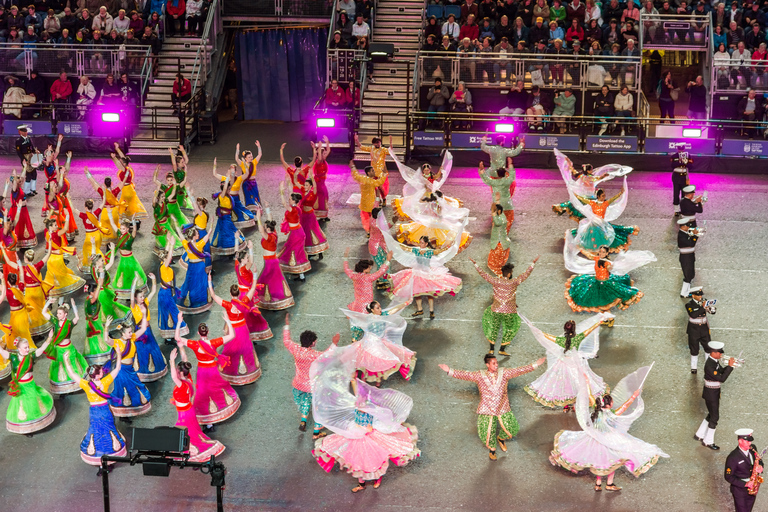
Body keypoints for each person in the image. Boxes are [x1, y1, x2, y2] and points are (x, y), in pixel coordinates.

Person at [550, 365, 669, 491]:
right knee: (611, 462)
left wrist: (586, 382)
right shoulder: (612, 413)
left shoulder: (596, 409)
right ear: (609, 404)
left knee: (600, 463)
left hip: (594, 438)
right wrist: (634, 396)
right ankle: (609, 484)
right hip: (607, 440)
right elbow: (625, 406)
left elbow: (589, 394)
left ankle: (598, 484)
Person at [439, 354, 545, 460]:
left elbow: (519, 370)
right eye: (493, 363)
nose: (496, 365)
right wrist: (449, 370)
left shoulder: (504, 373)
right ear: (487, 364)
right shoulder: (479, 375)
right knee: (487, 431)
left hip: (502, 407)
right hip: (487, 408)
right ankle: (492, 450)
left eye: (497, 363)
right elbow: (466, 375)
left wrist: (536, 364)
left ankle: (501, 438)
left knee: (512, 428)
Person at [522, 314, 610, 411]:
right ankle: (576, 404)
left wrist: (535, 330)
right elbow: (590, 329)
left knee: (563, 383)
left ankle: (566, 405)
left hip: (564, 362)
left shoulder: (560, 340)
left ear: (565, 330)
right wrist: (599, 322)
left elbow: (546, 336)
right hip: (577, 362)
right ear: (574, 330)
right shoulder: (578, 337)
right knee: (579, 382)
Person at [62, 346, 126, 468]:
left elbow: (71, 373)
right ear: (97, 376)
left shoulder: (86, 385)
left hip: (94, 412)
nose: (103, 372)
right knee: (108, 429)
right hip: (105, 410)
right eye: (101, 371)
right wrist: (118, 353)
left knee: (96, 431)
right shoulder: (105, 382)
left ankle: (99, 460)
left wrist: (66, 361)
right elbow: (117, 368)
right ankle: (110, 455)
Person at [175, 313, 241, 428]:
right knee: (217, 388)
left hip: (202, 371)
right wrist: (228, 321)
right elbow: (232, 335)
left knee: (202, 393)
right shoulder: (213, 343)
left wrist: (179, 322)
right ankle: (220, 409)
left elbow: (177, 338)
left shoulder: (195, 345)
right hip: (213, 370)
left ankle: (208, 421)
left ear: (198, 333)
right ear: (208, 332)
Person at [283, 313, 339, 436]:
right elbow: (328, 355)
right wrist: (334, 344)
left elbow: (286, 341)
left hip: (298, 384)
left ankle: (303, 419)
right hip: (313, 386)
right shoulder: (313, 355)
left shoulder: (296, 349)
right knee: (320, 406)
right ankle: (316, 431)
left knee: (305, 400)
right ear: (313, 343)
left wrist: (287, 326)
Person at [470, 256, 537, 355]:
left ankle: (491, 349)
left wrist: (475, 264)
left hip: (496, 310)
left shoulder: (496, 281)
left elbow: (483, 274)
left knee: (493, 328)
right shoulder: (514, 282)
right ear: (509, 274)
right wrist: (532, 264)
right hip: (509, 312)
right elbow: (525, 275)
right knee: (510, 328)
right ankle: (502, 349)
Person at [169, 347, 226, 462]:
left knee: (189, 434)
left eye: (176, 370)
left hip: (184, 414)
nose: (175, 371)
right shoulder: (188, 380)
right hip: (189, 410)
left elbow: (173, 377)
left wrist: (171, 360)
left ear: (180, 373)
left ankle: (198, 456)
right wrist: (181, 347)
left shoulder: (181, 385)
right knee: (193, 431)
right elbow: (185, 360)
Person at [208, 274, 265, 385]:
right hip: (243, 329)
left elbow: (213, 296)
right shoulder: (244, 301)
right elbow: (253, 288)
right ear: (239, 293)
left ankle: (232, 373)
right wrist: (254, 275)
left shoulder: (228, 305)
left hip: (233, 330)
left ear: (230, 294)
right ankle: (248, 372)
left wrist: (209, 281)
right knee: (245, 348)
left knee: (232, 350)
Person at [564, 243, 653, 312]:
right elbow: (589, 255)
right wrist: (578, 247)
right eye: (600, 251)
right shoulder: (597, 258)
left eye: (603, 252)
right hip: (596, 280)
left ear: (607, 253)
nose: (601, 253)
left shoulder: (607, 263)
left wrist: (617, 265)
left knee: (615, 293)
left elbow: (611, 268)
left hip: (605, 282)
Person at [0, 335, 55, 434]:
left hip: (30, 384)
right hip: (20, 387)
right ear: (19, 348)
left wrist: (49, 338)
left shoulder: (30, 356)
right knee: (23, 407)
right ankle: (26, 428)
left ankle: (35, 424)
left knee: (33, 403)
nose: (28, 349)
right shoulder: (13, 357)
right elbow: (3, 352)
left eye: (28, 347)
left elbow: (42, 349)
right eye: (25, 348)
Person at [104, 315, 153, 418]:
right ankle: (123, 415)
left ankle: (130, 410)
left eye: (131, 332)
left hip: (130, 369)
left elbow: (143, 328)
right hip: (121, 371)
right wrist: (107, 327)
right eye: (129, 332)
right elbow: (106, 340)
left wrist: (144, 314)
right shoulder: (117, 342)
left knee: (134, 388)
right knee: (123, 391)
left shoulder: (132, 338)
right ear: (122, 333)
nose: (131, 333)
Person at [694, 341, 738, 450]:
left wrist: (729, 366)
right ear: (713, 352)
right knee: (715, 417)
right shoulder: (709, 365)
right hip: (711, 393)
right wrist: (730, 367)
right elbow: (721, 378)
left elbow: (721, 371)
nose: (721, 354)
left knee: (711, 414)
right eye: (719, 353)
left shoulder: (714, 362)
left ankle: (699, 434)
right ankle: (708, 441)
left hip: (712, 392)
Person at [41, 299, 88, 396]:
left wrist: (74, 306)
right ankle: (62, 389)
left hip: (68, 348)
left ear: (65, 314)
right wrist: (48, 302)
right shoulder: (55, 321)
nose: (58, 315)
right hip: (58, 349)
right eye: (57, 313)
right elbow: (43, 312)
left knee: (71, 366)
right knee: (60, 368)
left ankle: (73, 385)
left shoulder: (69, 324)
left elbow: (77, 318)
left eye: (60, 313)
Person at [479, 136, 523, 232]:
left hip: (492, 172)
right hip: (501, 173)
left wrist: (484, 139)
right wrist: (521, 144)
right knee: (510, 184)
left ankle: (497, 207)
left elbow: (483, 147)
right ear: (502, 142)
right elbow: (514, 152)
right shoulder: (504, 151)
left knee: (494, 187)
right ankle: (505, 202)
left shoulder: (491, 149)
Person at [254, 208, 295, 310]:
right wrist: (268, 209)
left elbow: (260, 230)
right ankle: (273, 300)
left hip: (270, 262)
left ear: (268, 229)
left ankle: (269, 300)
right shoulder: (274, 233)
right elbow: (271, 221)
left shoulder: (269, 237)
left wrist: (258, 218)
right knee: (272, 280)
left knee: (266, 280)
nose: (264, 228)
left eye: (265, 227)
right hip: (271, 260)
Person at [130, 274, 168, 382]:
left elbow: (153, 291)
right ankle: (144, 371)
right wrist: (134, 282)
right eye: (140, 297)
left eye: (143, 296)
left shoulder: (145, 303)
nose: (142, 298)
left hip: (148, 330)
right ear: (136, 298)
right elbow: (131, 295)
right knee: (142, 350)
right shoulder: (134, 307)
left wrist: (154, 279)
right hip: (140, 331)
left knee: (152, 348)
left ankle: (155, 369)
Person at [90, 246, 133, 326]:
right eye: (102, 261)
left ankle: (106, 326)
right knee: (109, 309)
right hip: (104, 293)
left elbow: (93, 255)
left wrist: (93, 244)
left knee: (104, 309)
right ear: (98, 263)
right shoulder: (102, 270)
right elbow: (111, 262)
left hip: (98, 292)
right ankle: (111, 326)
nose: (103, 261)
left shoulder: (93, 268)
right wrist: (112, 250)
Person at [277, 182, 311, 281]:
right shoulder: (298, 207)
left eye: (290, 199)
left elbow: (283, 203)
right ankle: (300, 275)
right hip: (299, 232)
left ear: (293, 201)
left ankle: (300, 274)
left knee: (294, 252)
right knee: (298, 252)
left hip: (296, 234)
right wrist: (288, 186)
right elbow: (292, 197)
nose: (289, 200)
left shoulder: (292, 209)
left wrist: (281, 192)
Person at [724, 428, 764, 512]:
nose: (750, 443)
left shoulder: (753, 448)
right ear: (740, 441)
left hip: (753, 486)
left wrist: (760, 466)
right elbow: (728, 477)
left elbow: (759, 459)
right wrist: (745, 484)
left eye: (750, 441)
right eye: (747, 441)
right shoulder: (733, 457)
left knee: (749, 509)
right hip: (740, 491)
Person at [343, 247, 392, 312]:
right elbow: (381, 271)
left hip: (357, 305)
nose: (370, 268)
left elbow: (346, 269)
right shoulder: (369, 278)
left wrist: (345, 258)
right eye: (369, 267)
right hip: (367, 306)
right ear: (364, 269)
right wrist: (387, 260)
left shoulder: (354, 276)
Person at [349, 160, 387, 234]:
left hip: (363, 203)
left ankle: (368, 232)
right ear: (369, 173)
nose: (374, 172)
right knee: (372, 218)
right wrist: (384, 173)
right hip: (371, 203)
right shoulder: (372, 182)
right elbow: (380, 181)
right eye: (372, 171)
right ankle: (372, 231)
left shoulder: (362, 179)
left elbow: (355, 175)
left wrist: (353, 167)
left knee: (365, 218)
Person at [354, 134, 390, 206]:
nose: (378, 143)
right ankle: (378, 199)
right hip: (373, 171)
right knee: (373, 186)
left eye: (379, 142)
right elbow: (361, 147)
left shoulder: (383, 150)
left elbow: (390, 152)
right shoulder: (371, 148)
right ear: (374, 143)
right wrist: (357, 140)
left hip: (381, 171)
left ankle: (384, 198)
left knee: (380, 187)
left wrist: (391, 143)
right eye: (377, 142)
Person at [685, 286, 714, 374]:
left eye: (701, 295)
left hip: (704, 329)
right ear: (693, 296)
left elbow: (712, 312)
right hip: (694, 330)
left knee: (708, 347)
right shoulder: (689, 305)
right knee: (694, 349)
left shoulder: (703, 302)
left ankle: (708, 366)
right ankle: (694, 367)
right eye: (698, 295)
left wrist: (711, 309)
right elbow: (693, 315)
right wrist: (702, 307)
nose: (700, 297)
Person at [235, 141, 263, 212]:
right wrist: (237, 150)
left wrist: (259, 146)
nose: (251, 158)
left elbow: (260, 154)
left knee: (255, 195)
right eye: (249, 157)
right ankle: (250, 210)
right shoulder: (242, 164)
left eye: (251, 156)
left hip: (253, 183)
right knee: (248, 197)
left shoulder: (254, 162)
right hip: (247, 184)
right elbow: (236, 158)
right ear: (245, 158)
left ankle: (257, 209)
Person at [677, 216, 700, 299]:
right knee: (687, 276)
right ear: (683, 226)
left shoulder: (684, 233)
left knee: (690, 275)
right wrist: (695, 234)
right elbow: (691, 243)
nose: (688, 228)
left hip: (689, 257)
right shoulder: (681, 235)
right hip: (686, 258)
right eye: (688, 226)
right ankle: (683, 293)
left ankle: (686, 292)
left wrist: (694, 234)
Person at [311, 137, 331, 222]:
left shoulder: (324, 161)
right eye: (324, 153)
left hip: (322, 183)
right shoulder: (318, 162)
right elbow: (319, 157)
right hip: (318, 183)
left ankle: (324, 215)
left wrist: (327, 142)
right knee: (320, 197)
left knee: (325, 196)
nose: (325, 154)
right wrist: (319, 148)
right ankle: (319, 215)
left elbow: (328, 151)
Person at [670, 143, 692, 216]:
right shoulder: (674, 156)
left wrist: (686, 162)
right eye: (680, 150)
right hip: (676, 176)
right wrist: (679, 162)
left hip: (684, 177)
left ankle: (683, 209)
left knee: (684, 194)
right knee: (676, 194)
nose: (681, 151)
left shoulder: (688, 156)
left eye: (682, 150)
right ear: (677, 149)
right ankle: (676, 210)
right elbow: (672, 166)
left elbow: (691, 166)